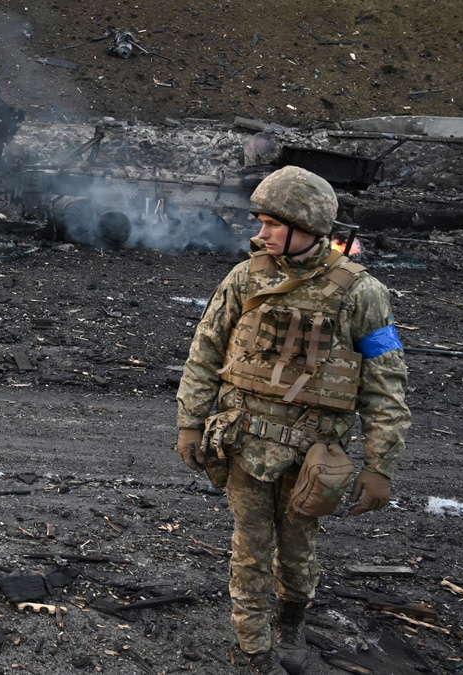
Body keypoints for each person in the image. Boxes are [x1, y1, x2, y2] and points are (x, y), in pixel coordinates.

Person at [175, 166, 410, 675]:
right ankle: (256, 650)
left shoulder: (362, 293)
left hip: (314, 452)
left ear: (308, 227)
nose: (259, 234)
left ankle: (290, 624)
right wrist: (190, 421)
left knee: (299, 548)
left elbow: (385, 383)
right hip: (244, 441)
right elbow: (206, 349)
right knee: (250, 549)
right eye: (260, 222)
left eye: (271, 224)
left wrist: (380, 465)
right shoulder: (245, 277)